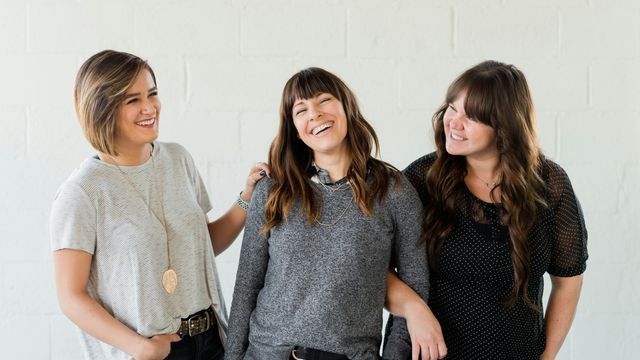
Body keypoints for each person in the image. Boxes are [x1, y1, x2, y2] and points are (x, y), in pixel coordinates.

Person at [50, 50, 269, 360]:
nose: (149, 107)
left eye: (152, 94)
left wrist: (246, 199)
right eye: (132, 100)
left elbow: (202, 247)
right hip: (151, 350)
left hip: (212, 341)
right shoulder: (82, 192)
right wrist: (140, 347)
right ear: (102, 109)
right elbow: (70, 296)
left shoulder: (178, 159)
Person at [384, 60, 588, 360]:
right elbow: (371, 268)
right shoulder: (421, 179)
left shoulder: (550, 183)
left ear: (505, 126)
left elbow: (568, 281)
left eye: (472, 117)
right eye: (452, 108)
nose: (453, 122)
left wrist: (547, 356)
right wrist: (414, 310)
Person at [225, 67, 432, 360]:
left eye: (324, 100)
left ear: (346, 105)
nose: (315, 114)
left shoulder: (394, 190)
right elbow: (247, 286)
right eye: (301, 109)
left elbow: (416, 285)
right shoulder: (273, 190)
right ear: (293, 128)